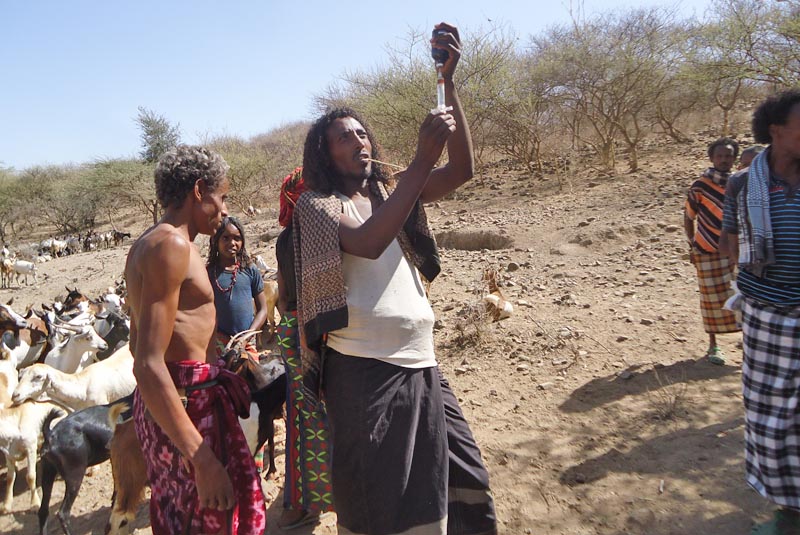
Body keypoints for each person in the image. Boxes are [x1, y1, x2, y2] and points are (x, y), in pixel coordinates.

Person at [293, 23, 497, 535]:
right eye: (343, 137)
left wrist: (448, 83)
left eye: (362, 131)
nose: (357, 139)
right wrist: (421, 159)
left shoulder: (389, 192)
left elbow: (462, 170)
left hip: (421, 363)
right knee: (377, 502)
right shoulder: (317, 206)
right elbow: (367, 243)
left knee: (451, 482)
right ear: (325, 154)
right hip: (364, 371)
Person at [125, 145, 266, 535]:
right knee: (210, 519)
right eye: (221, 198)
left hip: (172, 404)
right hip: (186, 405)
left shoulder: (145, 243)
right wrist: (201, 459)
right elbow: (147, 362)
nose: (223, 211)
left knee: (181, 518)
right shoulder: (172, 247)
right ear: (199, 190)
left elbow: (137, 346)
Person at [721, 90, 800, 535]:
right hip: (767, 315)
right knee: (773, 417)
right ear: (777, 131)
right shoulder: (740, 185)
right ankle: (788, 511)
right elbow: (728, 245)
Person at [274, 166, 335, 530]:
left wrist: (290, 325)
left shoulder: (284, 238)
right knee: (322, 415)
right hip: (321, 330)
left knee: (303, 418)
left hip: (293, 329)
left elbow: (282, 295)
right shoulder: (319, 229)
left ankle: (300, 502)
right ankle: (305, 502)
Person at [684, 137, 741, 364]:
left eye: (728, 156)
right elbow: (689, 218)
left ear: (734, 158)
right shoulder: (700, 186)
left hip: (737, 251)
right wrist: (692, 245)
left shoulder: (741, 183)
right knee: (710, 299)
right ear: (711, 158)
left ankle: (748, 342)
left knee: (742, 295)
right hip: (707, 250)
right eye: (720, 156)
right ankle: (713, 346)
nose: (724, 160)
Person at [207, 215, 268, 357]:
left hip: (247, 342)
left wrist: (248, 335)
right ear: (216, 241)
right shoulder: (209, 273)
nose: (232, 243)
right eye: (225, 238)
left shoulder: (250, 270)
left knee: (250, 377)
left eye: (237, 238)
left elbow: (263, 309)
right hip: (218, 342)